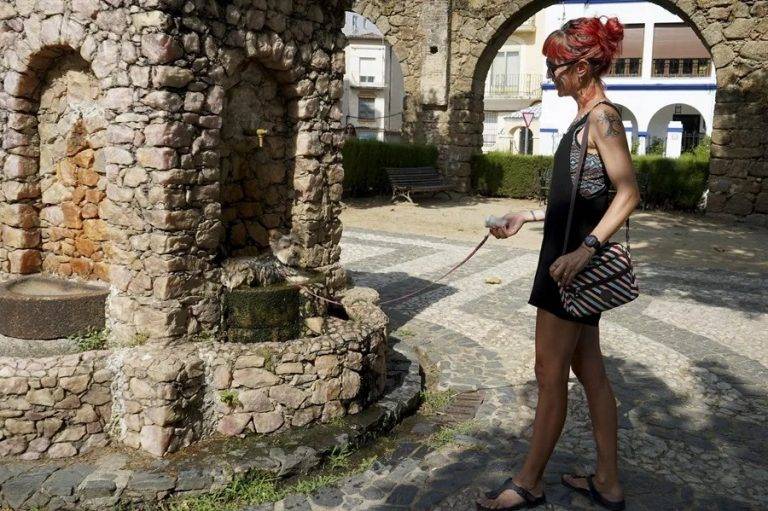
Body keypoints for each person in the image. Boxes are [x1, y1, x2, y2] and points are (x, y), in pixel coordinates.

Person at [476, 17, 640, 511]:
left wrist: (584, 249)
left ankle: (529, 483)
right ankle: (607, 482)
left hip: (571, 270)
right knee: (592, 374)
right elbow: (580, 199)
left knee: (549, 374)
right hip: (568, 263)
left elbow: (629, 193)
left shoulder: (602, 119)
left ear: (585, 67)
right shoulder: (581, 118)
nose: (551, 74)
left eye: (556, 65)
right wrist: (524, 216)